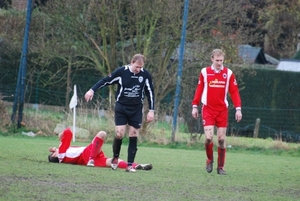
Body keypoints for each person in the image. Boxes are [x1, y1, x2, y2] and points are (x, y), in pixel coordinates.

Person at [84, 54, 155, 172]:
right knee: (119, 133)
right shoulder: (122, 72)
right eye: (137, 67)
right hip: (121, 107)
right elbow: (106, 81)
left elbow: (150, 93)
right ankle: (115, 158)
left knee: (133, 134)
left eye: (140, 67)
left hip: (136, 109)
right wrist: (92, 90)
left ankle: (130, 165)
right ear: (131, 62)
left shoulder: (145, 75)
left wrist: (151, 110)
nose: (138, 70)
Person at [191, 49, 242, 175]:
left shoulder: (228, 73)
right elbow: (199, 89)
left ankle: (220, 167)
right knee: (208, 138)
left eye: (221, 60)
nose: (219, 63)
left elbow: (234, 92)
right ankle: (209, 160)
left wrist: (238, 109)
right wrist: (194, 106)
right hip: (208, 109)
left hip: (222, 111)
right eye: (217, 60)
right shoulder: (205, 72)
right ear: (212, 59)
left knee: (221, 139)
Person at [48, 128, 153, 172]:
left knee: (113, 161)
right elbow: (68, 132)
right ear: (54, 156)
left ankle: (137, 165)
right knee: (102, 134)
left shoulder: (63, 154)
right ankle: (91, 159)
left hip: (86, 158)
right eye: (54, 152)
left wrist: (55, 148)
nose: (55, 150)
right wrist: (60, 136)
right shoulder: (61, 153)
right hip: (87, 155)